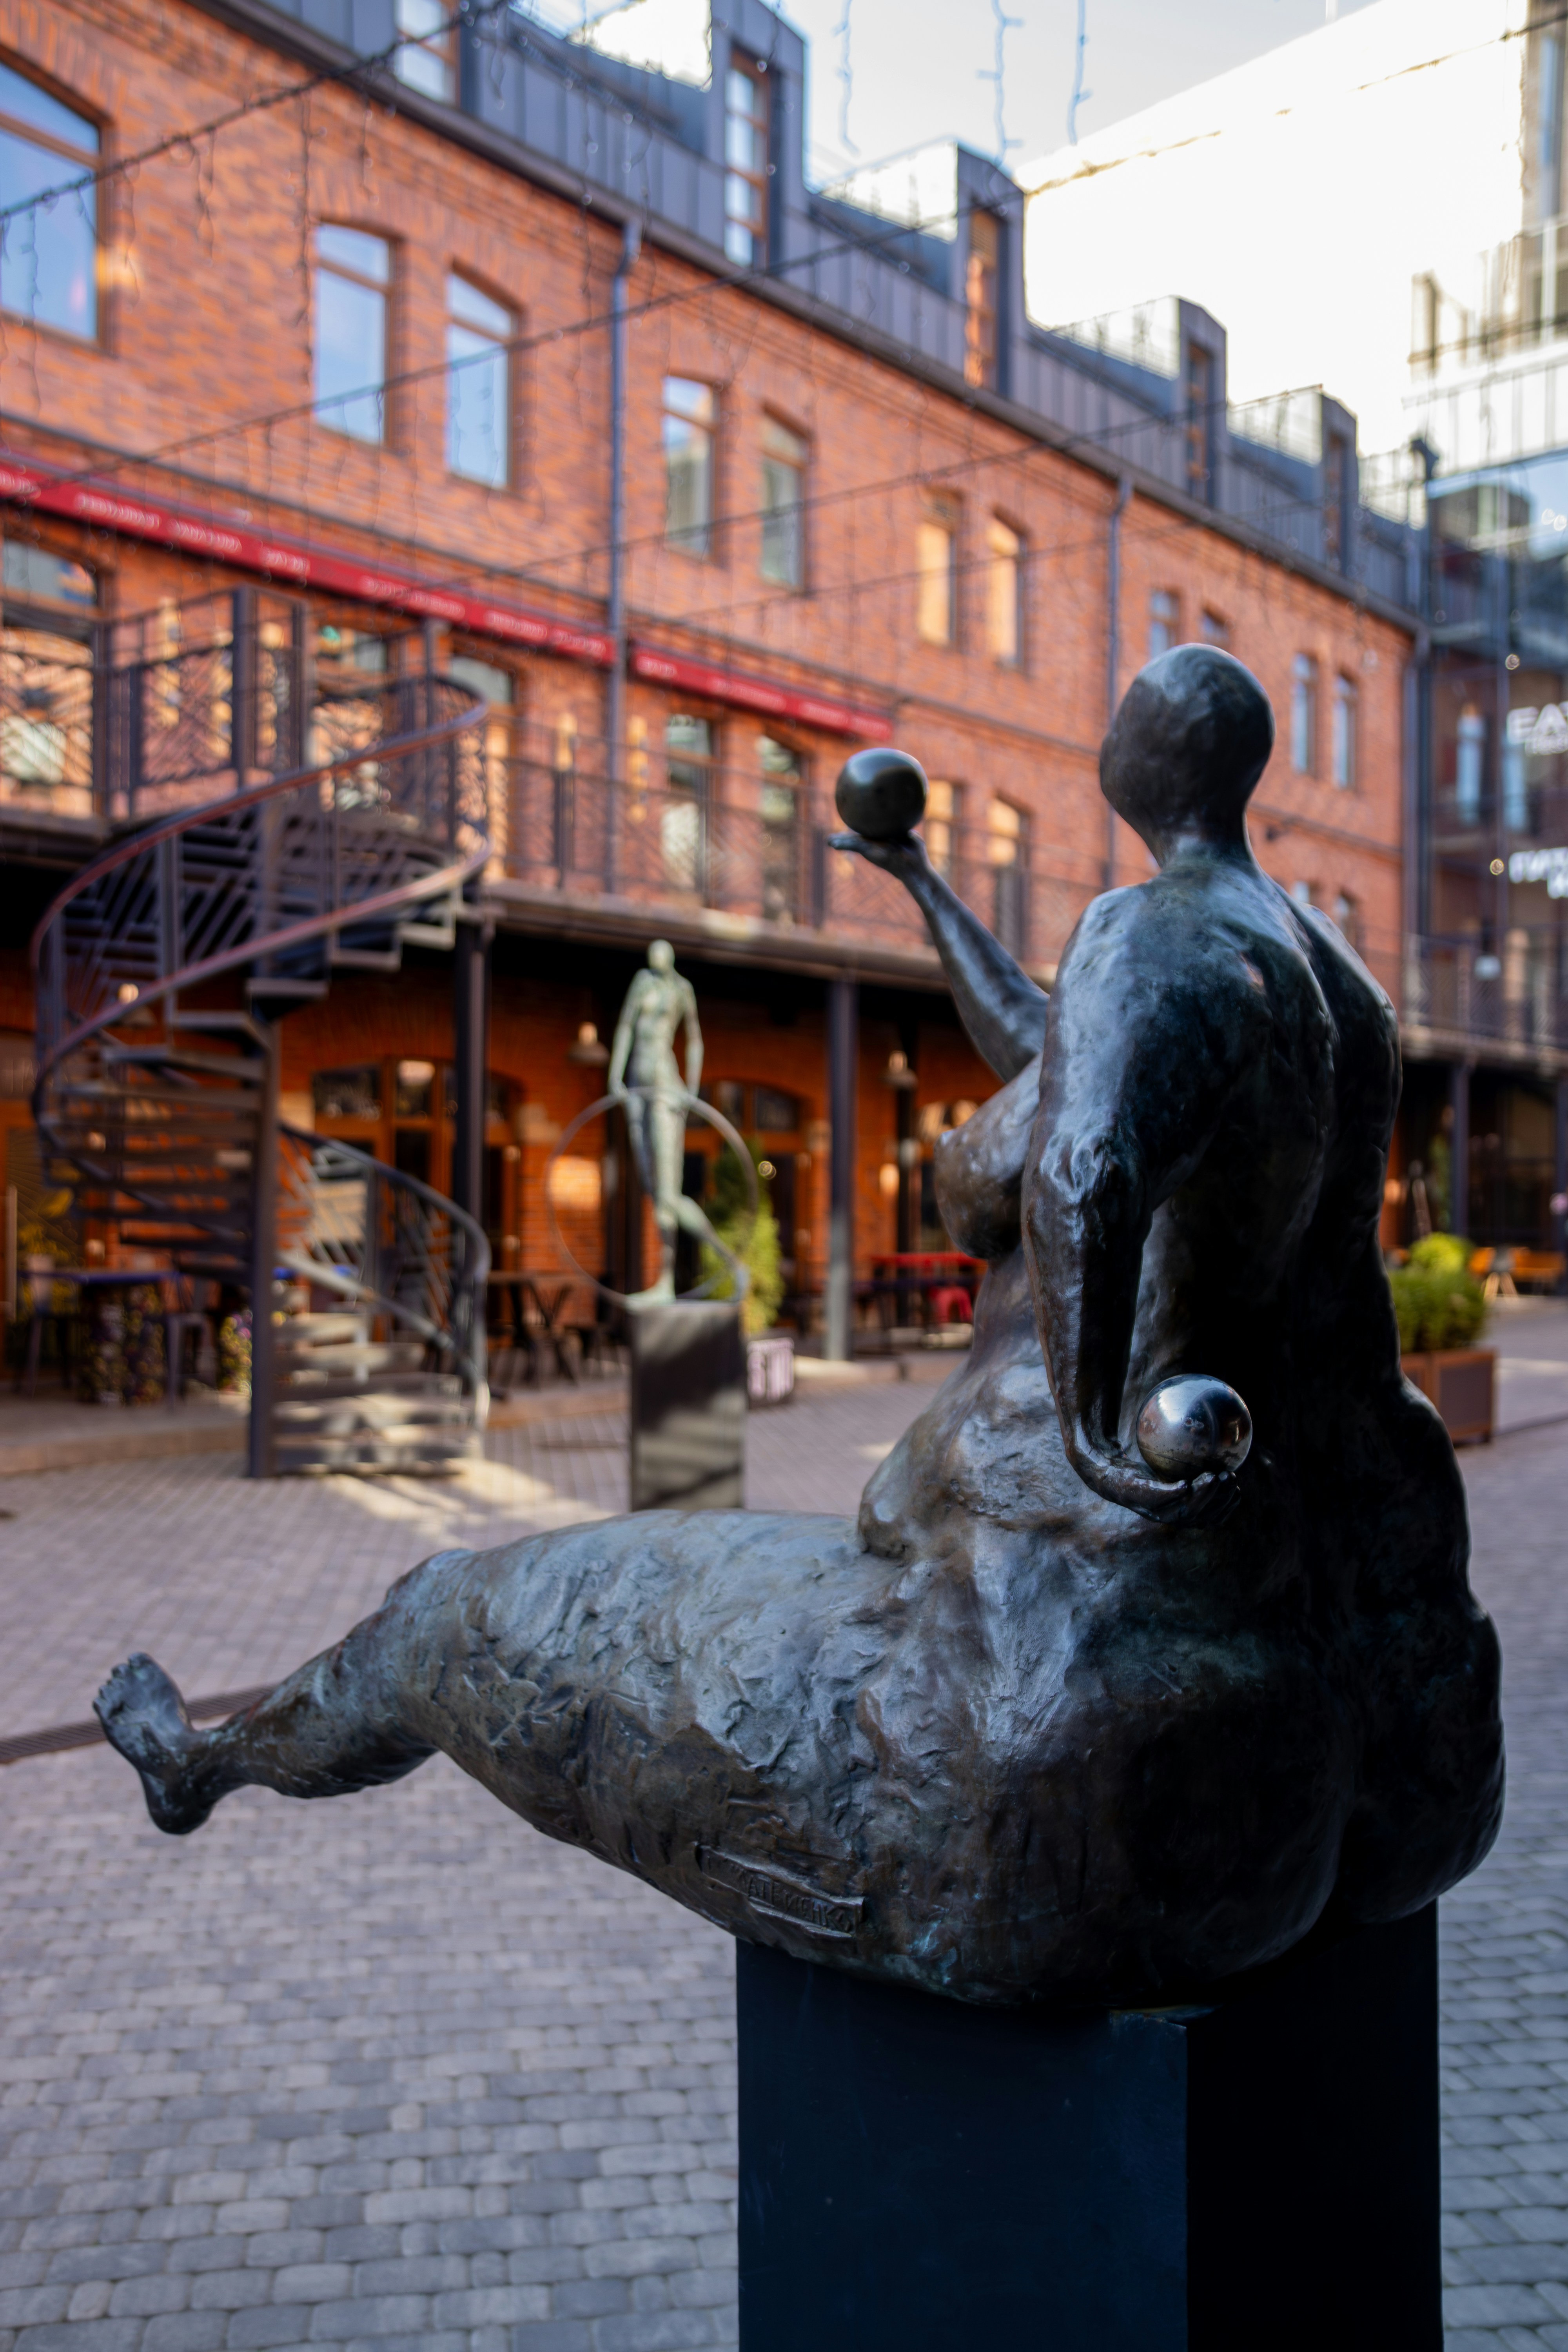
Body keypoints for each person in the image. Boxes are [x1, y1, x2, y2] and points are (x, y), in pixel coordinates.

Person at [94, 648, 1502, 2007]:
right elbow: (1047, 1033)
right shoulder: (1319, 979)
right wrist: (915, 881)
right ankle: (205, 1764)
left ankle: (200, 1764)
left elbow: (1084, 1172)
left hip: (1075, 1724)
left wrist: (1090, 1433)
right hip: (1352, 1712)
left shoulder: (1146, 936)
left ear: (1133, 762)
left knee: (442, 1619)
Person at [606, 938, 741, 1302]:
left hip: (665, 1089)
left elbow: (695, 1039)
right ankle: (666, 1284)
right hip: (638, 1085)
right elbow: (625, 1027)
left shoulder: (682, 990)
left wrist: (693, 1089)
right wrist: (614, 1074)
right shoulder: (642, 982)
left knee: (667, 1193)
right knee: (652, 1188)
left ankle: (722, 1263)